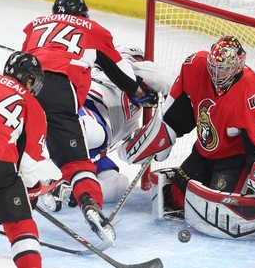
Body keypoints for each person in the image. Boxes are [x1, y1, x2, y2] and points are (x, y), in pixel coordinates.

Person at [119, 36, 255, 222]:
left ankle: (247, 189)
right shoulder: (195, 66)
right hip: (203, 151)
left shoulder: (250, 89)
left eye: (223, 69)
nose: (217, 74)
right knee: (175, 198)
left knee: (216, 208)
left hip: (233, 160)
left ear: (238, 66)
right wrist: (162, 133)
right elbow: (178, 110)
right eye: (214, 67)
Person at [20, 0, 158, 244]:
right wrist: (142, 93)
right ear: (84, 15)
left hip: (23, 87)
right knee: (77, 164)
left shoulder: (36, 24)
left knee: (5, 138)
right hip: (60, 93)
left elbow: (19, 65)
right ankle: (89, 204)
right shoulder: (93, 29)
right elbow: (123, 76)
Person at [41, 44, 176, 211]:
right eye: (140, 61)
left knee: (119, 184)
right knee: (90, 130)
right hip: (81, 114)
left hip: (93, 149)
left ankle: (71, 191)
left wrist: (154, 139)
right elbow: (166, 80)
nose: (143, 64)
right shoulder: (122, 68)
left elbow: (126, 153)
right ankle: (37, 171)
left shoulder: (133, 115)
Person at [0, 51, 62, 268]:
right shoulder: (33, 106)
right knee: (20, 224)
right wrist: (29, 194)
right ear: (29, 79)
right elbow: (29, 164)